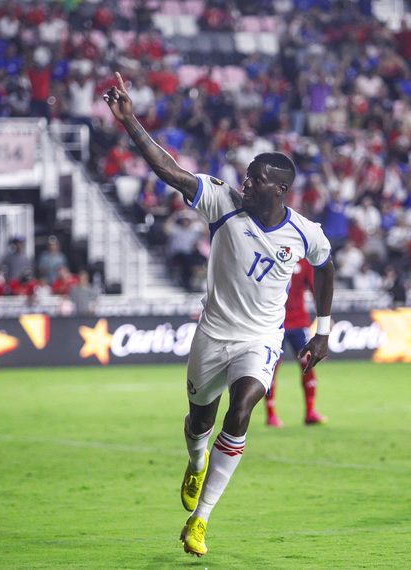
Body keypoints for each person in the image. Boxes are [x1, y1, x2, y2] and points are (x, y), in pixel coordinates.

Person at [104, 72, 334, 557]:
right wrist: (131, 123)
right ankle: (195, 459)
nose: (245, 183)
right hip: (212, 335)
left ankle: (200, 521)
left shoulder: (305, 233)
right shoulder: (222, 201)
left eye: (257, 180)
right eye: (247, 175)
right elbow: (169, 170)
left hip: (261, 340)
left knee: (244, 406)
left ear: (282, 190)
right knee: (198, 421)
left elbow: (325, 265)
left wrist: (322, 330)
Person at [264, 258, 328, 428]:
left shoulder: (305, 260)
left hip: (299, 323)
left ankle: (310, 412)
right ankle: (271, 415)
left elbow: (316, 288)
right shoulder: (273, 254)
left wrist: (323, 317)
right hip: (275, 323)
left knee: (308, 364)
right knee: (271, 369)